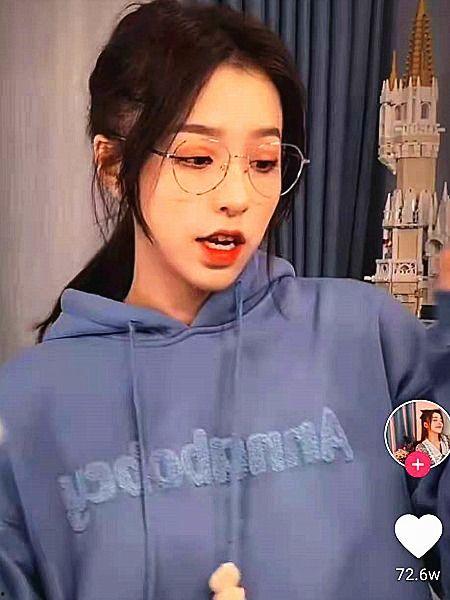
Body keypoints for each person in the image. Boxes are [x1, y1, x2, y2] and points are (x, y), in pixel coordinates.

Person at [1, 1, 450, 599]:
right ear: (112, 164)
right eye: (196, 158)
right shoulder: (25, 407)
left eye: (264, 162)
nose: (237, 196)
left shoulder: (370, 337)